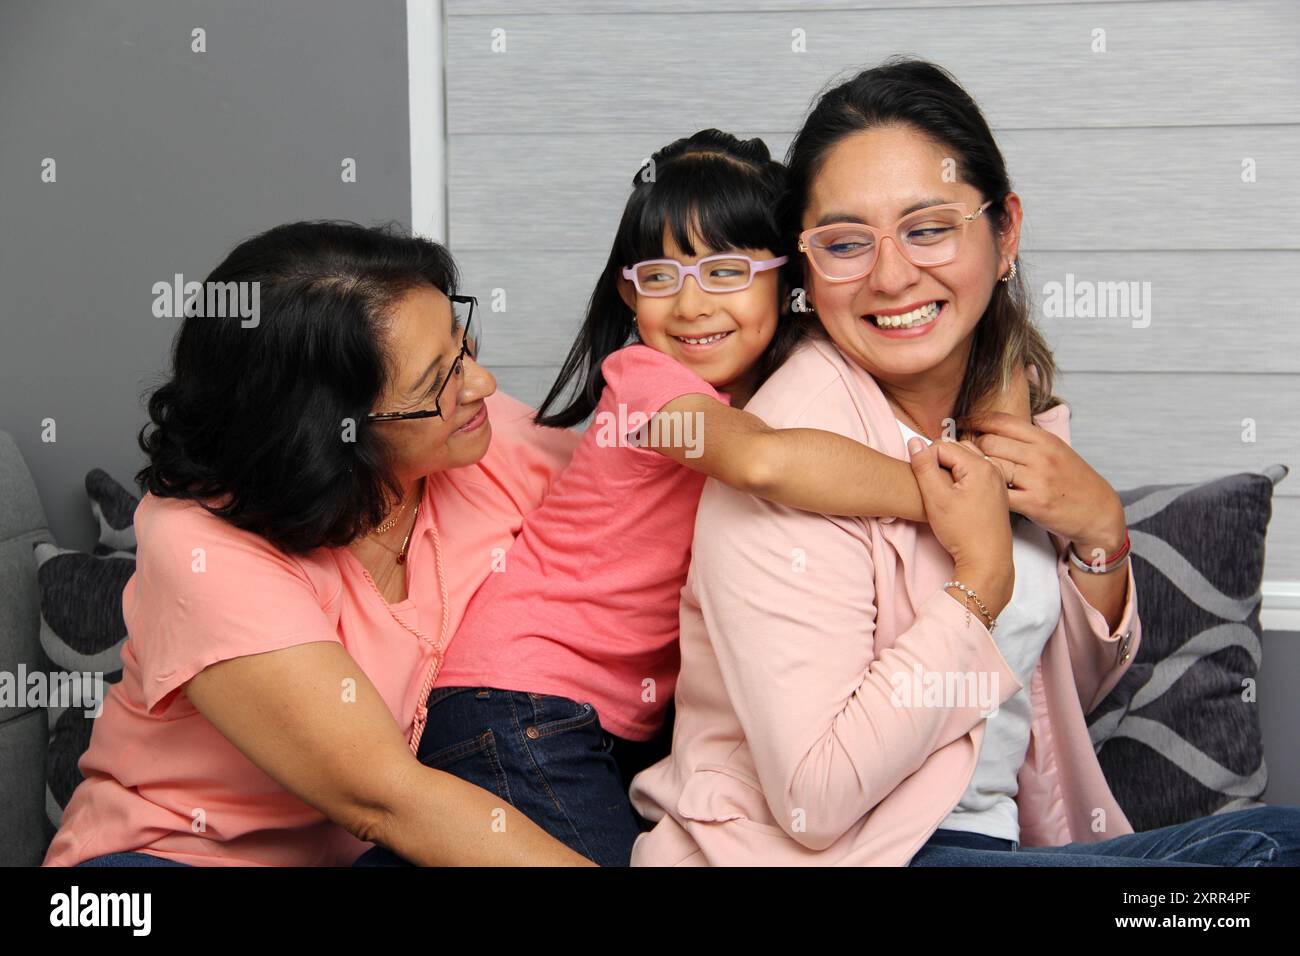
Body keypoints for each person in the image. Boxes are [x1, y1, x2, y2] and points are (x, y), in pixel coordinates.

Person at [628, 59, 1300, 866]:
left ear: (1004, 231)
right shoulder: (792, 448)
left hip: (990, 841)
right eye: (845, 242)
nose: (891, 274)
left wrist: (1098, 535)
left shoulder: (1002, 409)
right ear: (806, 268)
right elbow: (817, 796)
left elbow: (1033, 696)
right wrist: (978, 579)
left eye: (929, 227)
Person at [361, 129, 1034, 868]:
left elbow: (997, 362)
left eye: (726, 271)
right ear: (628, 290)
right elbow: (762, 460)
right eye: (659, 276)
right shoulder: (646, 384)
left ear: (789, 278)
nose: (690, 306)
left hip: (599, 721)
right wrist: (943, 498)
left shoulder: (783, 381)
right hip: (522, 699)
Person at [44, 221, 593, 866]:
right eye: (436, 381)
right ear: (332, 434)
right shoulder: (199, 545)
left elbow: (642, 515)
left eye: (461, 342)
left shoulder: (478, 435)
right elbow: (388, 801)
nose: (482, 385)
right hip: (161, 861)